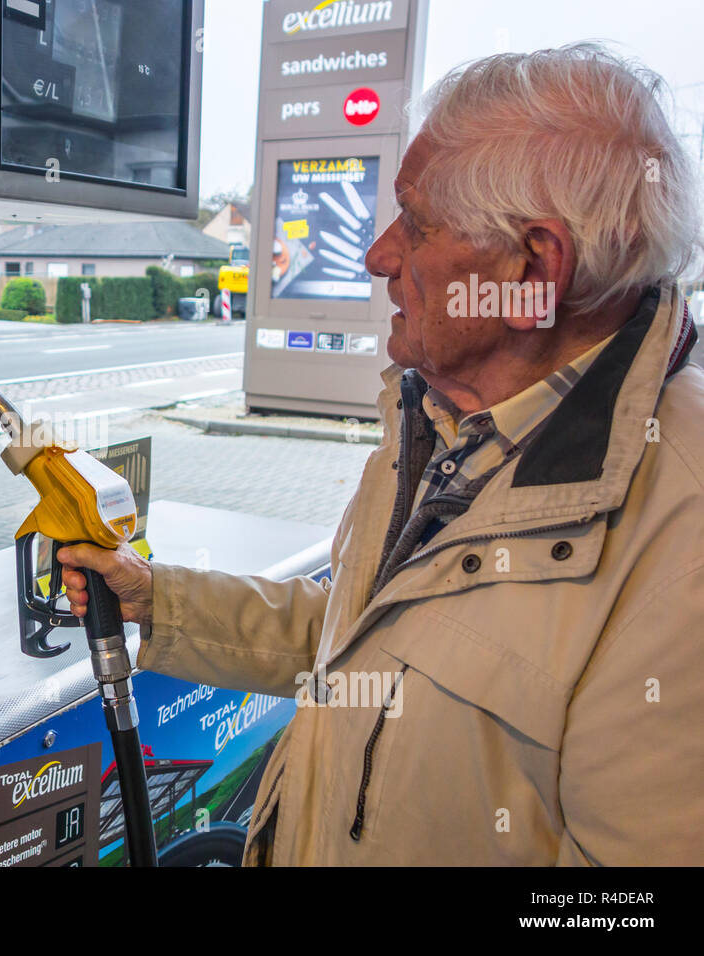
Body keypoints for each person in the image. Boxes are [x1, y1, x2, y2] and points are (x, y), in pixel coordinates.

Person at [58, 44, 704, 865]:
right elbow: (364, 645)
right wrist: (162, 600)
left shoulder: (681, 541)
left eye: (419, 223)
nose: (379, 255)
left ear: (534, 270)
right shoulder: (449, 421)